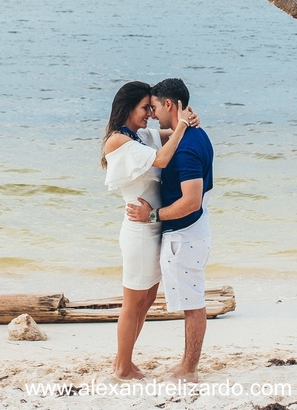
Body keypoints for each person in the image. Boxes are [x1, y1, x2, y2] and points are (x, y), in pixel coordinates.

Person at [101, 81, 199, 380]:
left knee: (145, 301)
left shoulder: (140, 135)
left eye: (151, 107)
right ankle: (122, 366)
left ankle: (125, 360)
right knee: (133, 303)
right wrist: (181, 126)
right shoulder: (118, 141)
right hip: (139, 232)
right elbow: (162, 158)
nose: (149, 114)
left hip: (153, 226)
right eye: (145, 108)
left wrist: (188, 120)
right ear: (128, 107)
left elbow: (168, 134)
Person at [127, 77, 214, 382]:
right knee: (193, 300)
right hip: (194, 230)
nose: (152, 114)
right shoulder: (194, 134)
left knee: (192, 304)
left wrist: (153, 216)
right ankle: (188, 365)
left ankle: (189, 368)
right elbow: (162, 136)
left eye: (154, 107)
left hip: (185, 234)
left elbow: (190, 201)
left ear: (169, 104)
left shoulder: (186, 148)